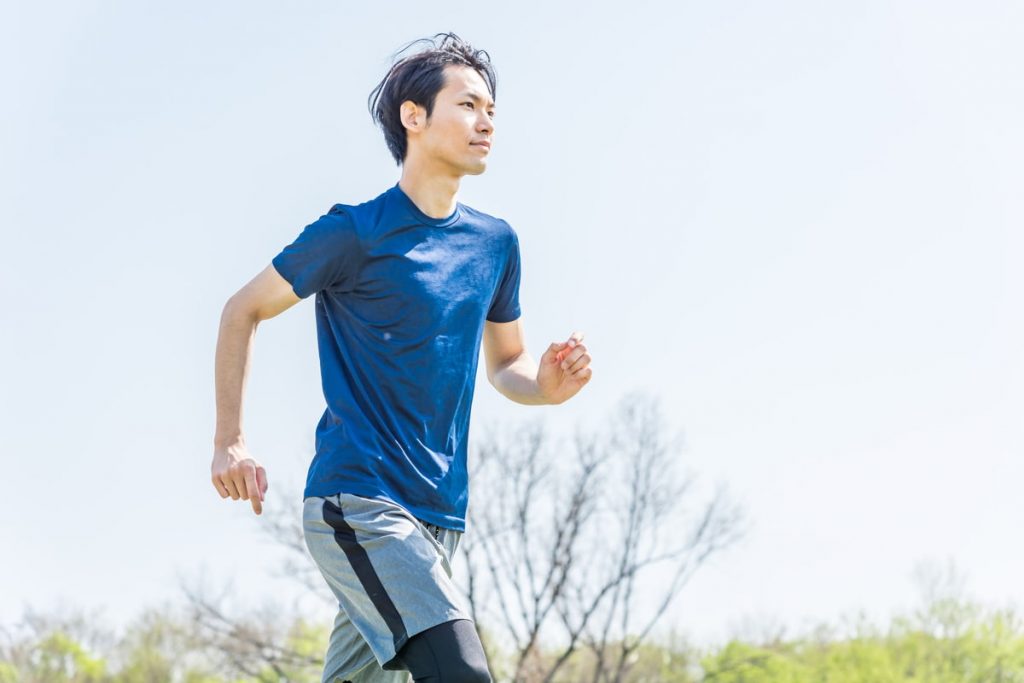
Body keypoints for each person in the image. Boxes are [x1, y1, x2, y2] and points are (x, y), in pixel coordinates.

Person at [211, 32, 593, 682]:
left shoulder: (495, 244)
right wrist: (231, 440)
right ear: (412, 117)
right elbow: (241, 309)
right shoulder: (353, 232)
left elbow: (509, 363)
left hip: (439, 516)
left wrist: (547, 386)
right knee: (462, 673)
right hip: (360, 502)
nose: (486, 123)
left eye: (491, 111)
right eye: (467, 105)